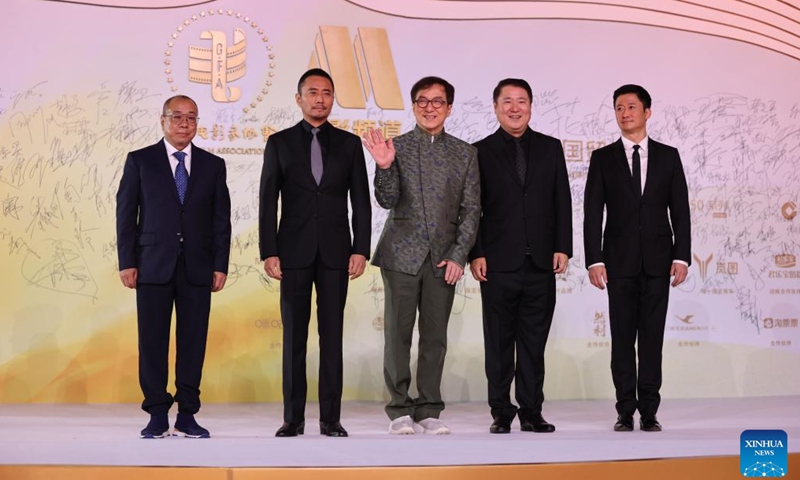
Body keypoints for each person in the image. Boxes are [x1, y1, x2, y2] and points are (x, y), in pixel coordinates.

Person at [362, 76, 480, 435]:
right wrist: (385, 166)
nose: (430, 108)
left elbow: (471, 210)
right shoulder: (396, 146)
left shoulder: (465, 153)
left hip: (443, 259)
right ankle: (399, 408)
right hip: (401, 255)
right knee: (397, 335)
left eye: (437, 101)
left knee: (435, 337)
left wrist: (459, 256)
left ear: (449, 108)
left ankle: (429, 407)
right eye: (422, 101)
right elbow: (387, 200)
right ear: (414, 107)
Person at [259, 68, 371, 438]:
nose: (320, 99)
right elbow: (267, 200)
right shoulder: (279, 143)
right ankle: (293, 418)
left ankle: (330, 419)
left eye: (326, 92)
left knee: (332, 337)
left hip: (337, 253)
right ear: (299, 98)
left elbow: (361, 201)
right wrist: (269, 250)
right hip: (292, 252)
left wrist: (360, 248)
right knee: (294, 338)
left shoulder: (350, 144)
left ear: (333, 98)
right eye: (312, 92)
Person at [116, 95, 231, 439]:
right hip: (152, 264)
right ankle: (156, 412)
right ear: (163, 120)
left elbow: (221, 220)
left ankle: (187, 413)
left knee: (193, 341)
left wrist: (220, 264)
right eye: (177, 116)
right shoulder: (141, 160)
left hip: (198, 265)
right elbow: (126, 214)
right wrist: (127, 262)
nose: (184, 123)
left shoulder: (213, 165)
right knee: (152, 342)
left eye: (191, 117)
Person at [583, 84, 691, 432]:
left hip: (659, 262)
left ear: (647, 112)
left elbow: (681, 210)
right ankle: (625, 410)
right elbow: (592, 212)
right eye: (619, 107)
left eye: (631, 106)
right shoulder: (603, 158)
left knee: (651, 340)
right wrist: (594, 259)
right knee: (622, 340)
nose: (625, 113)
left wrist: (682, 256)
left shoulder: (668, 156)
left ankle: (649, 410)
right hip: (618, 262)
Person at [468, 78, 572, 434]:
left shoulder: (550, 148)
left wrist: (562, 246)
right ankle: (501, 411)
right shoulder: (479, 151)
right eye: (507, 101)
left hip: (541, 262)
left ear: (531, 105)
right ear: (496, 107)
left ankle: (531, 410)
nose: (515, 108)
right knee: (498, 342)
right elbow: (473, 208)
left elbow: (561, 201)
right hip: (497, 263)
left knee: (533, 342)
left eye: (521, 101)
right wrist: (476, 253)